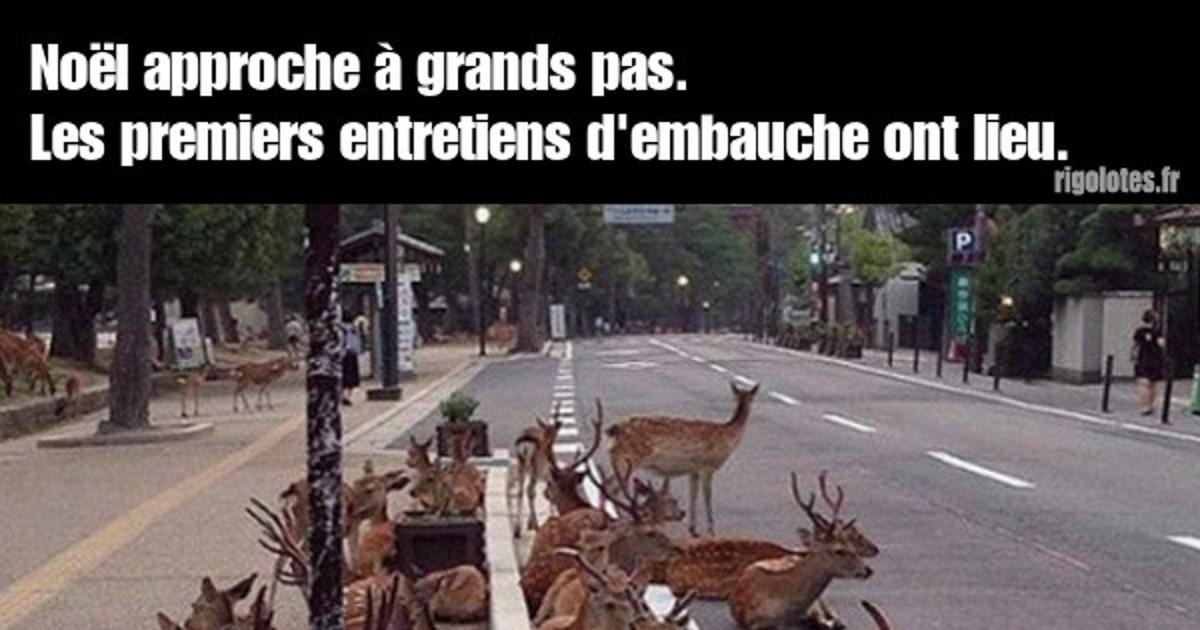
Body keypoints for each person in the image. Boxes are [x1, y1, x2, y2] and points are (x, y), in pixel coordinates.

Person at [1132, 308, 1166, 416]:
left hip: (1143, 358)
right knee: (1153, 383)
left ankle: (1144, 406)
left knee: (1143, 383)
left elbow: (1136, 345)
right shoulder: (1157, 332)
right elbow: (1162, 344)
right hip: (1155, 358)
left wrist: (1133, 356)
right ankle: (1151, 405)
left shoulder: (1139, 331)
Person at [340, 310, 362, 406]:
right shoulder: (354, 329)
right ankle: (348, 396)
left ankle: (343, 395)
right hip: (353, 354)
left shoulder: (340, 329)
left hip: (343, 354)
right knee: (352, 377)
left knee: (344, 375)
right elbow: (358, 341)